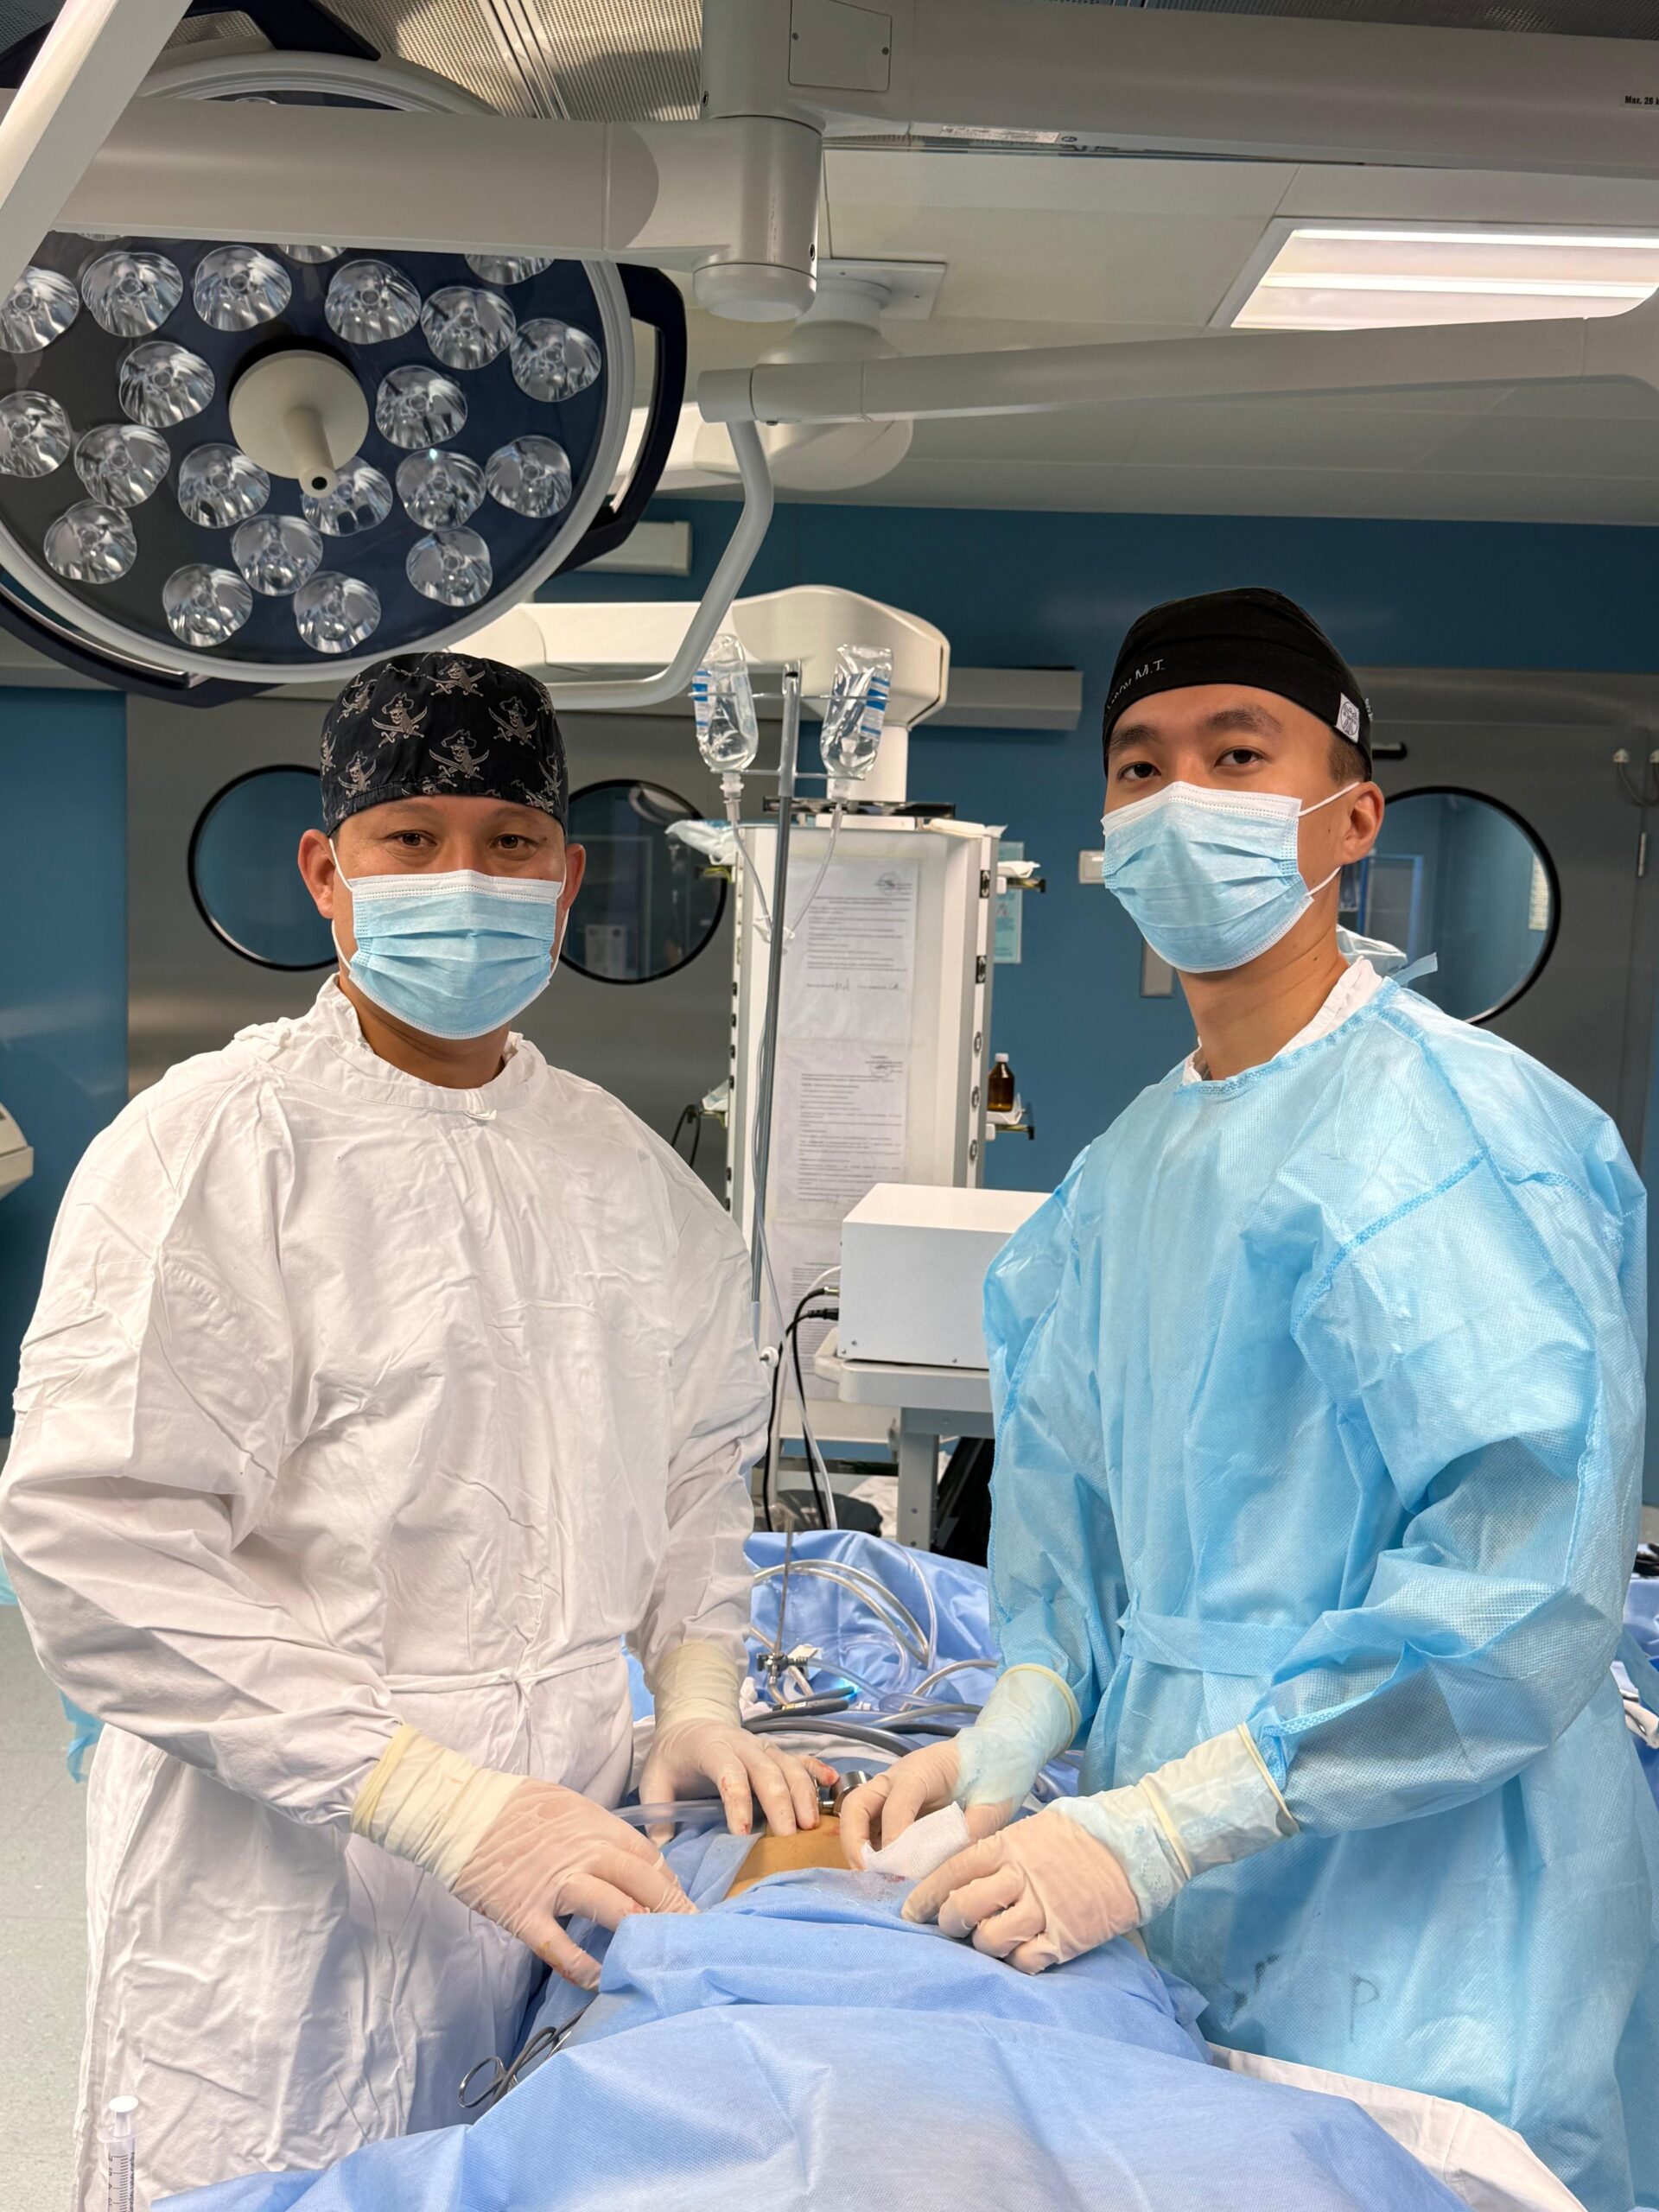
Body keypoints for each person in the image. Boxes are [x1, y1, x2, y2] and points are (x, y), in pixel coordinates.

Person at [841, 588, 1659, 2212]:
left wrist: (1166, 1825)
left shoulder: (1455, 1135)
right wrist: (1025, 1717)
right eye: (1140, 765)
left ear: (1349, 821)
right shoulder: (1129, 1174)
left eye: (1236, 754)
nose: (1179, 798)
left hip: (1435, 1920)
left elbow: (1518, 1591)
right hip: (1181, 1879)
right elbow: (1079, 1522)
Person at [0, 652, 826, 2209]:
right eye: (413, 839)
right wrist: (435, 1803)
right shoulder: (211, 1153)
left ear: (567, 881)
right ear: (329, 873)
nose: (468, 878)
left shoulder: (624, 1177)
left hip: (566, 1848)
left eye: (511, 843)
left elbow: (699, 1472)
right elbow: (95, 1552)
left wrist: (701, 1689)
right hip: (290, 1879)